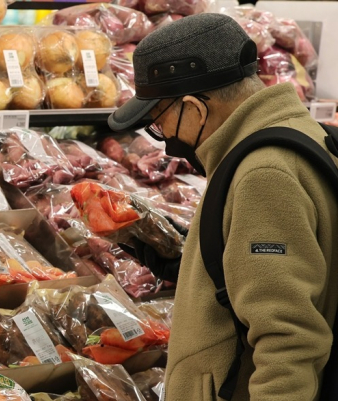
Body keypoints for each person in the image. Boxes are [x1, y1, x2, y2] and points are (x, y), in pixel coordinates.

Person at [108, 13, 338, 401]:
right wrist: (191, 263)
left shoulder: (263, 174)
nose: (163, 140)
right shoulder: (299, 134)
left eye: (159, 123)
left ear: (195, 109)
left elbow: (288, 339)